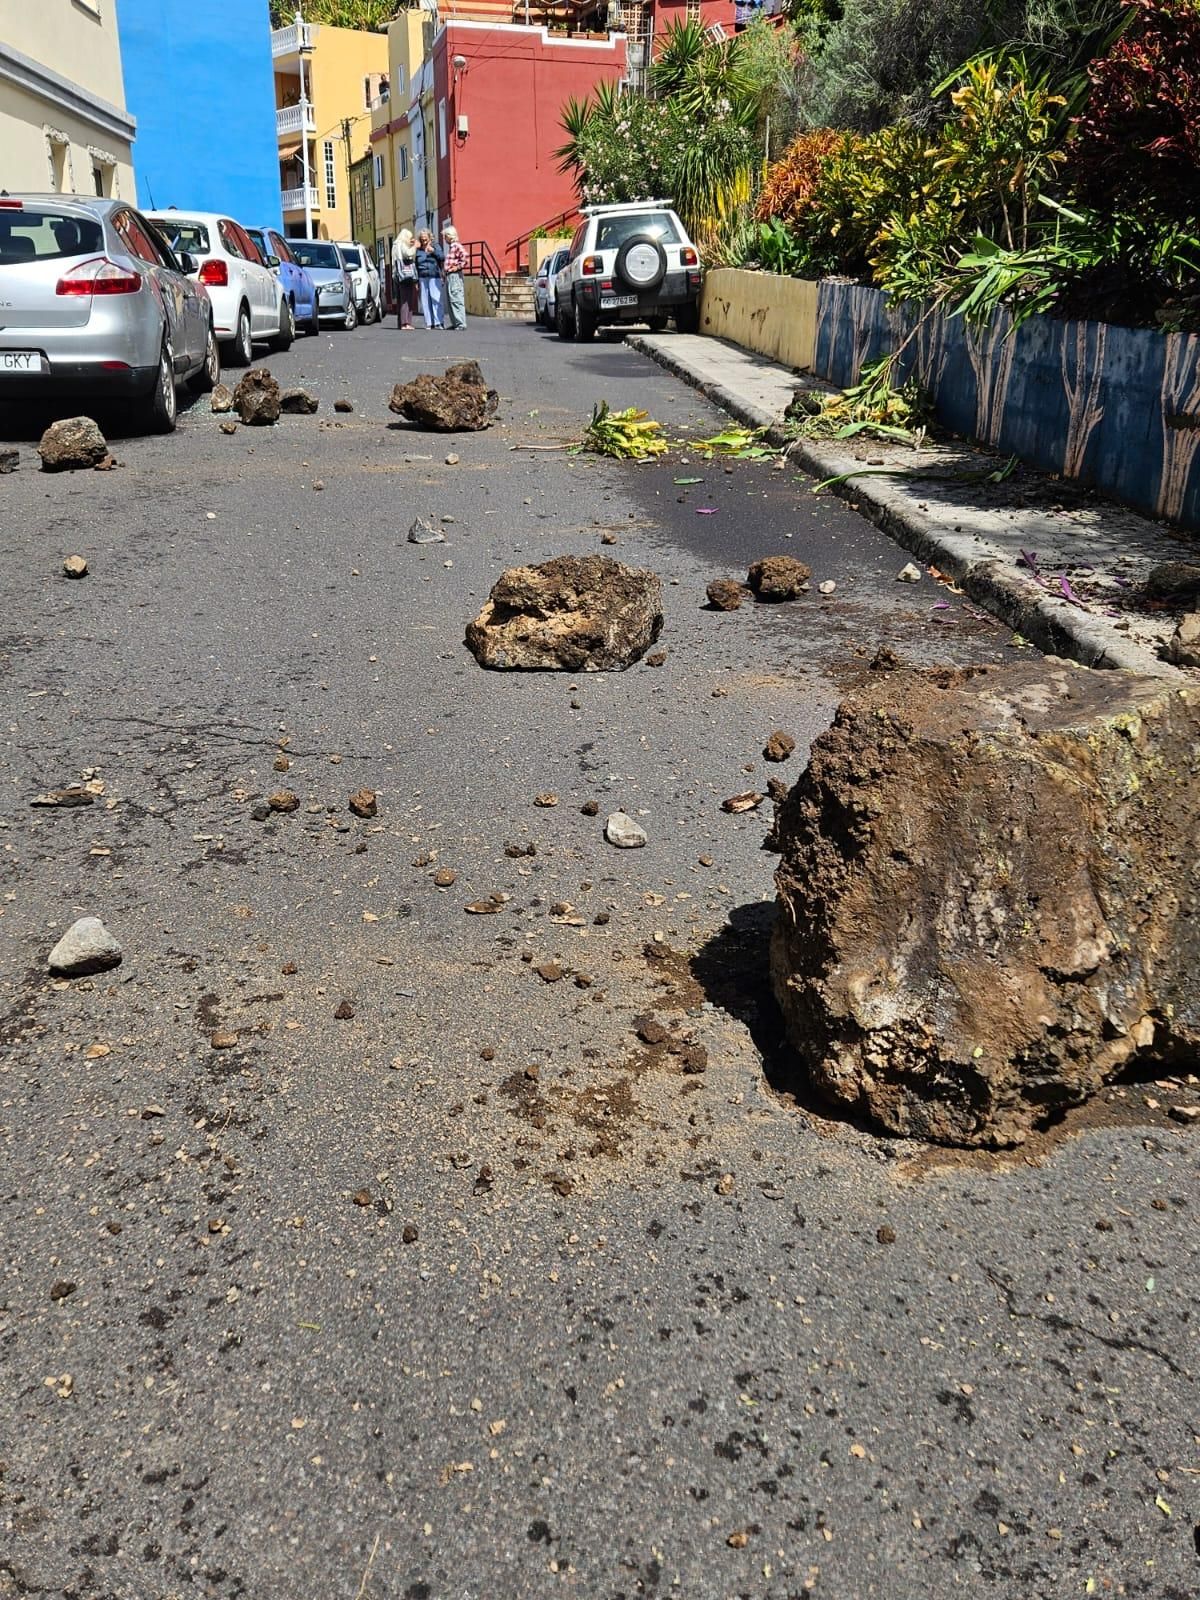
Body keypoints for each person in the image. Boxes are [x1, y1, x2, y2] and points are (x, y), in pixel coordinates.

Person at [414, 229, 445, 329]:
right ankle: (429, 322)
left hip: (434, 275)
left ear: (429, 237)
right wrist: (416, 280)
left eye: (425, 238)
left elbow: (442, 257)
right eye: (422, 239)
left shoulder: (435, 245)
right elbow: (415, 264)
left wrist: (434, 251)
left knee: (436, 299)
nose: (423, 240)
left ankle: (438, 322)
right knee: (425, 301)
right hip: (422, 277)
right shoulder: (418, 250)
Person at [391, 228, 419, 330]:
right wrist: (414, 246)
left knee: (401, 299)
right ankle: (406, 323)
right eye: (410, 237)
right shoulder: (402, 244)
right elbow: (408, 254)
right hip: (405, 275)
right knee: (407, 299)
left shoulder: (395, 245)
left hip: (397, 275)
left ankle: (401, 322)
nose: (410, 239)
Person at [442, 224, 468, 331]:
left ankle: (460, 323)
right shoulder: (452, 247)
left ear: (450, 236)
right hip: (450, 276)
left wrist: (456, 268)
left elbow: (465, 258)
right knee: (451, 300)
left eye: (445, 236)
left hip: (454, 276)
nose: (444, 238)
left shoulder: (457, 246)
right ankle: (455, 323)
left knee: (456, 299)